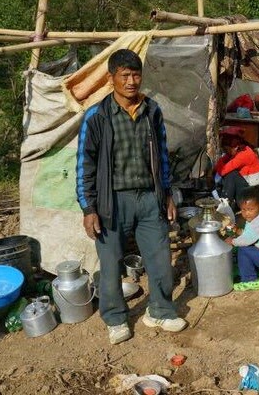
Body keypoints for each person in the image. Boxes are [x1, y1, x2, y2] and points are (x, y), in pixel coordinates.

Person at [76, 48, 187, 345]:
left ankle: (161, 311)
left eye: (136, 74)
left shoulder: (152, 110)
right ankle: (115, 319)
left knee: (160, 258)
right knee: (110, 265)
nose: (131, 81)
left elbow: (162, 156)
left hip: (149, 198)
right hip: (111, 202)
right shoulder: (97, 116)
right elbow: (83, 165)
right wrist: (89, 208)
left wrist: (166, 194)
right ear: (111, 79)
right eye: (124, 75)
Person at [214, 126, 259, 209]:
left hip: (256, 194)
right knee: (229, 174)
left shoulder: (243, 156)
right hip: (250, 189)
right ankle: (226, 202)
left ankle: (225, 206)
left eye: (227, 150)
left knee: (231, 174)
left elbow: (222, 171)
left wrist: (219, 163)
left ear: (236, 147)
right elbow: (221, 163)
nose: (226, 152)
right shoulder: (240, 150)